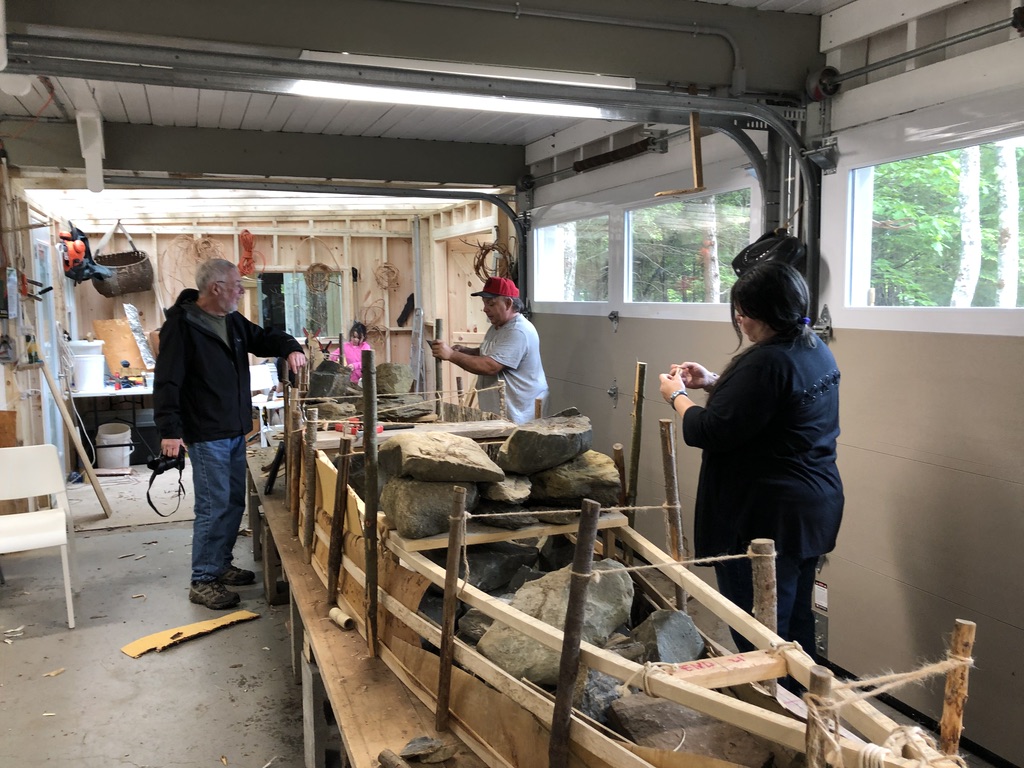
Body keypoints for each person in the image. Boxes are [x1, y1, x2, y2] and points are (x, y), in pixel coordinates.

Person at [658, 261, 843, 660]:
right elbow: (767, 407)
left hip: (765, 518)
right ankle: (804, 707)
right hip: (809, 509)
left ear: (765, 313)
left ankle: (777, 709)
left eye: (743, 311)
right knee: (793, 621)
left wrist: (677, 396)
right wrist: (711, 381)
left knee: (758, 627)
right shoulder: (812, 347)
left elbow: (707, 431)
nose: (739, 320)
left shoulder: (766, 361)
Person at [154, 258, 306, 609]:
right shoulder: (182, 325)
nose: (242, 289)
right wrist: (169, 430)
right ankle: (203, 578)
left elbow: (265, 337)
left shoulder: (231, 320)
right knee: (213, 505)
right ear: (215, 288)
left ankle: (220, 564)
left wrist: (290, 346)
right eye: (237, 284)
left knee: (234, 501)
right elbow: (167, 381)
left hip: (235, 428)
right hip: (206, 432)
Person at [427, 276, 548, 424]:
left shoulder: (518, 331)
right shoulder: (498, 326)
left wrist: (451, 355)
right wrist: (467, 351)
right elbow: (494, 352)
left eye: (491, 303)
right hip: (502, 412)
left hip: (519, 416)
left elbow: (491, 366)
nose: (485, 309)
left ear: (508, 303)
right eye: (484, 303)